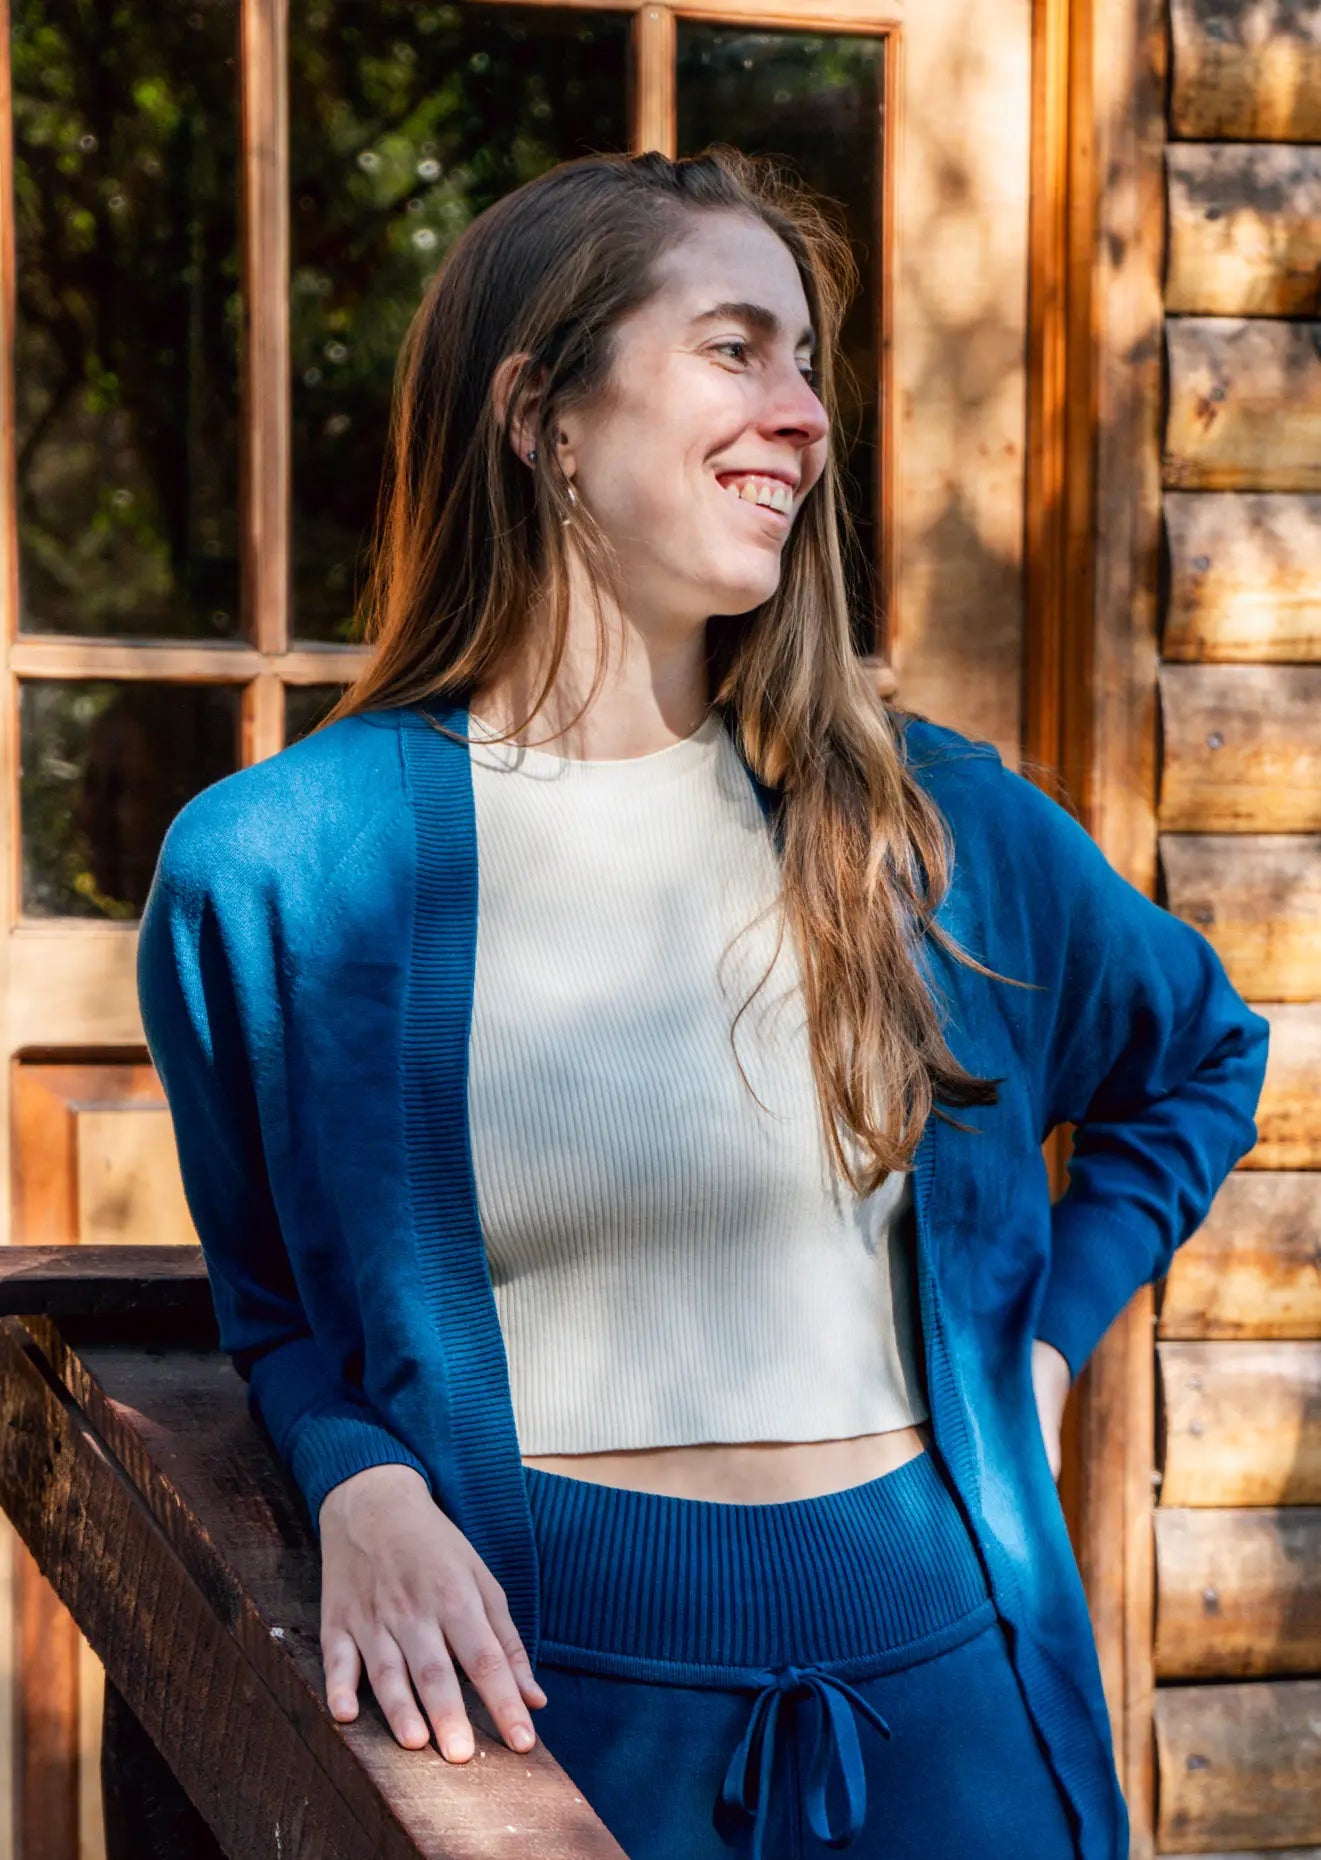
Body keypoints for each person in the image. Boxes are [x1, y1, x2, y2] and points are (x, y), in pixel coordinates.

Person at [135, 147, 1269, 1860]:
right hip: (549, 1707)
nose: (804, 414)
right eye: (736, 349)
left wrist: (1038, 1346)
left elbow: (1199, 1053)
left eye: (807, 361)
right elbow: (273, 1308)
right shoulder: (279, 868)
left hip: (954, 1702)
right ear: (542, 416)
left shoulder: (921, 824)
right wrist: (355, 1477)